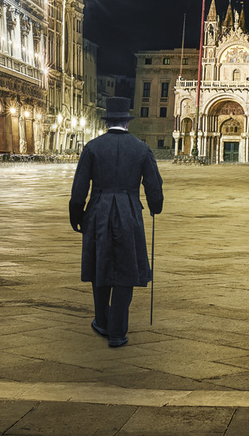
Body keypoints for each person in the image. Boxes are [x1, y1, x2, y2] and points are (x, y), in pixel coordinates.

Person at [69, 96, 163, 347]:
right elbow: (154, 187)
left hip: (98, 212)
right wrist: (156, 207)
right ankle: (118, 332)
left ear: (107, 122)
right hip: (129, 212)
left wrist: (76, 216)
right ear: (127, 122)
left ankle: (102, 321)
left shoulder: (92, 147)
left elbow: (79, 188)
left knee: (100, 266)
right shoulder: (141, 149)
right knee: (126, 269)